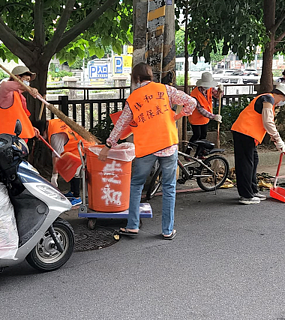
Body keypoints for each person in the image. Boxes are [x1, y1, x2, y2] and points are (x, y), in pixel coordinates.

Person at [98, 63, 197, 239]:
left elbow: (121, 125)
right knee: (169, 187)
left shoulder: (134, 98)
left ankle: (132, 226)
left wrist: (108, 146)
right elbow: (191, 102)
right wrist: (180, 115)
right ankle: (167, 231)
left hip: (147, 148)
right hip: (168, 144)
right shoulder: (166, 90)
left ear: (136, 78)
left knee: (136, 185)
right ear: (151, 76)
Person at [231, 83, 285, 204]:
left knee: (253, 161)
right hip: (244, 132)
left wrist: (276, 140)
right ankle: (246, 195)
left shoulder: (269, 100)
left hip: (248, 134)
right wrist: (278, 140)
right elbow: (268, 122)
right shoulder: (268, 99)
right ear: (281, 95)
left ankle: (252, 190)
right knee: (245, 164)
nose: (283, 102)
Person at [34, 118, 92, 206]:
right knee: (70, 171)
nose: (39, 139)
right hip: (76, 146)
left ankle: (77, 197)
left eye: (38, 137)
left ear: (42, 131)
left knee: (74, 172)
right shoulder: (53, 123)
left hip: (82, 148)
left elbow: (56, 156)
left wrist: (54, 175)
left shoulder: (55, 135)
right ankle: (72, 192)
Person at [0, 65, 40, 140]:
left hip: (18, 139)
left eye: (28, 81)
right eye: (26, 80)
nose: (27, 83)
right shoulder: (7, 94)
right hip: (7, 140)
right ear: (17, 77)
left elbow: (19, 117)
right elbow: (4, 85)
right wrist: (22, 85)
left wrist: (30, 127)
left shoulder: (19, 95)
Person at [188, 72, 223, 145]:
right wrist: (214, 117)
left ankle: (201, 153)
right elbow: (200, 110)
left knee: (203, 136)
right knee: (197, 135)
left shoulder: (210, 88)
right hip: (196, 119)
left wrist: (220, 91)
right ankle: (188, 151)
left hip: (206, 118)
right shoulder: (194, 94)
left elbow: (217, 96)